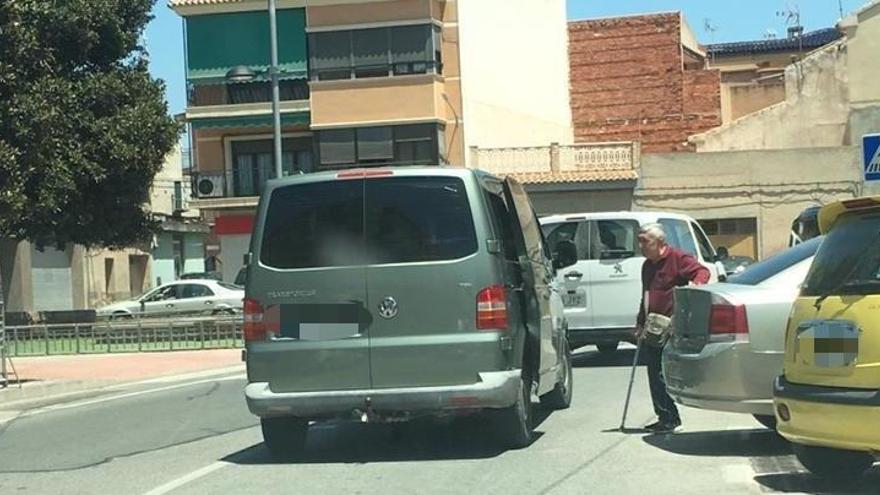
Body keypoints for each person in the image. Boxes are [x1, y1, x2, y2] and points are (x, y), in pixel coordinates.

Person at [635, 223, 710, 433]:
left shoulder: (677, 258)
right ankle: (664, 417)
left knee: (661, 371)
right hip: (653, 326)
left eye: (645, 241)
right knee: (653, 371)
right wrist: (640, 323)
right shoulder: (647, 266)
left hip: (672, 325)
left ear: (659, 243)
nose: (641, 246)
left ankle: (670, 419)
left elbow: (702, 272)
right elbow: (646, 296)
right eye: (639, 241)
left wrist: (695, 285)